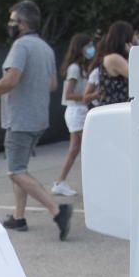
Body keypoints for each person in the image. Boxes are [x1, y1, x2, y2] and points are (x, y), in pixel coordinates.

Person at [0, 0, 72, 239]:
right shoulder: (46, 49)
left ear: (23, 23)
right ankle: (18, 218)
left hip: (20, 120)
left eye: (12, 20)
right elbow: (51, 84)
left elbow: (11, 80)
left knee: (16, 172)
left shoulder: (21, 47)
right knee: (21, 169)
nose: (10, 24)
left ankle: (57, 210)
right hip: (38, 119)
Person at [52, 33, 94, 196]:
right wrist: (89, 96)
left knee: (75, 148)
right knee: (81, 147)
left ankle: (60, 181)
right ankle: (60, 181)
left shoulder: (83, 67)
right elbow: (68, 94)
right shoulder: (74, 68)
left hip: (80, 110)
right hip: (76, 111)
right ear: (80, 48)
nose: (91, 49)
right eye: (88, 46)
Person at [91, 21, 133, 108]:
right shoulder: (114, 58)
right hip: (113, 108)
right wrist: (132, 54)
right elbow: (136, 76)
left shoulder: (113, 57)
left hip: (116, 108)